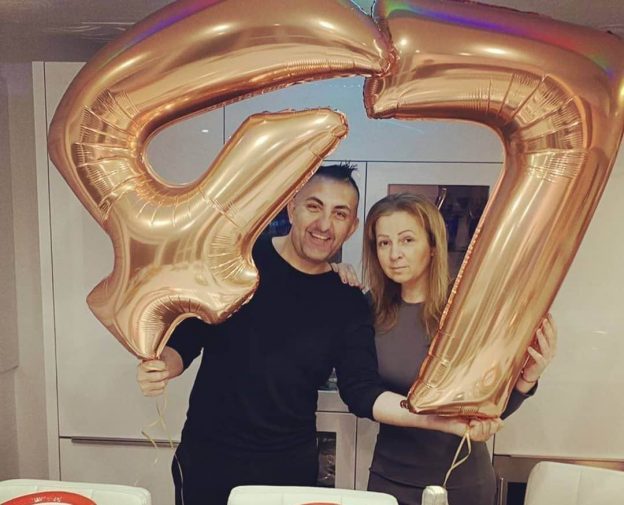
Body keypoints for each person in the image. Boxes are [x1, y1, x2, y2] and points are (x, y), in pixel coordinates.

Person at [136, 166, 501, 505]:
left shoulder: (347, 302)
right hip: (208, 460)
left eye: (340, 214)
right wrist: (165, 364)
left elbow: (361, 391)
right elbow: (190, 334)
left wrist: (438, 420)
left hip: (288, 469)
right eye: (314, 206)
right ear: (292, 208)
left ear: (351, 228)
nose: (324, 224)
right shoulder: (238, 263)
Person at [356, 192, 557, 505]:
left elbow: (488, 409)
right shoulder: (368, 309)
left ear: (433, 245)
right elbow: (361, 392)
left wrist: (525, 380)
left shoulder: (468, 311)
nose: (394, 254)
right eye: (384, 243)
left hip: (463, 483)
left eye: (407, 240)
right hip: (390, 480)